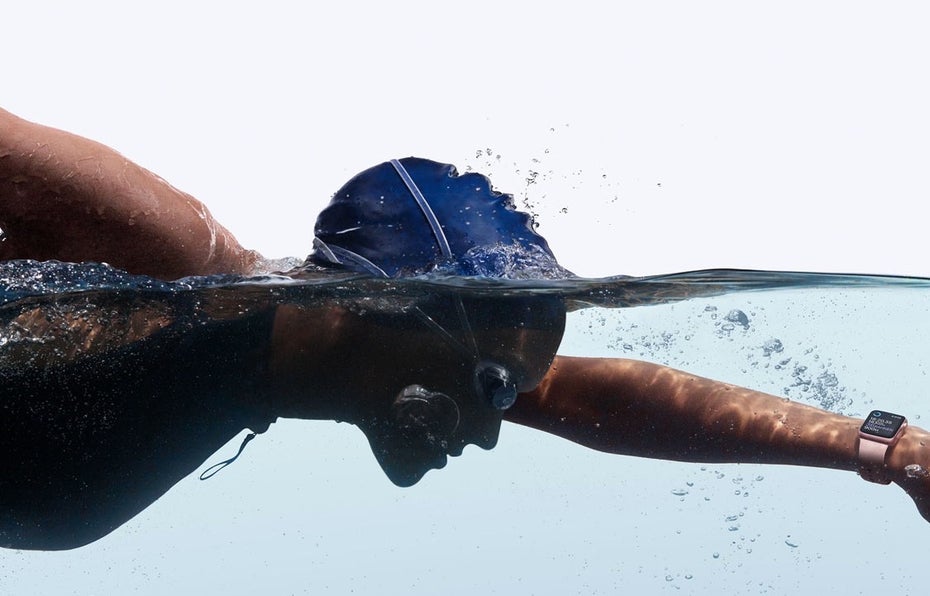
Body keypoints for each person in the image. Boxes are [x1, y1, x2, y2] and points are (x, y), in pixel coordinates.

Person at [2, 107, 929, 550]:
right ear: (390, 308)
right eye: (492, 385)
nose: (491, 427)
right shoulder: (172, 255)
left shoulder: (291, 372)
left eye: (510, 394)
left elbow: (603, 397)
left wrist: (880, 449)